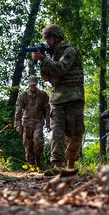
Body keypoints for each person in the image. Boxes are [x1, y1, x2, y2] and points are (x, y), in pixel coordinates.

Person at [32, 24, 85, 176]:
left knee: (75, 134)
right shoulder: (52, 55)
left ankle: (71, 163)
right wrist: (42, 61)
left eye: (49, 38)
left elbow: (61, 68)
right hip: (57, 99)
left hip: (73, 97)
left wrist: (43, 59)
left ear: (57, 37)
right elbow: (48, 77)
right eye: (46, 38)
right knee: (57, 131)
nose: (47, 41)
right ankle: (57, 164)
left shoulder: (70, 51)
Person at [14, 75, 50, 170]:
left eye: (34, 84)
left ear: (36, 84)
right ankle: (31, 166)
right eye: (31, 85)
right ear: (29, 85)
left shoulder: (43, 95)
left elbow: (47, 109)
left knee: (38, 141)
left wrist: (48, 123)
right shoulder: (23, 95)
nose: (32, 86)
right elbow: (18, 110)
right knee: (28, 145)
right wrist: (18, 124)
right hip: (26, 123)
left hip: (38, 122)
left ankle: (38, 161)